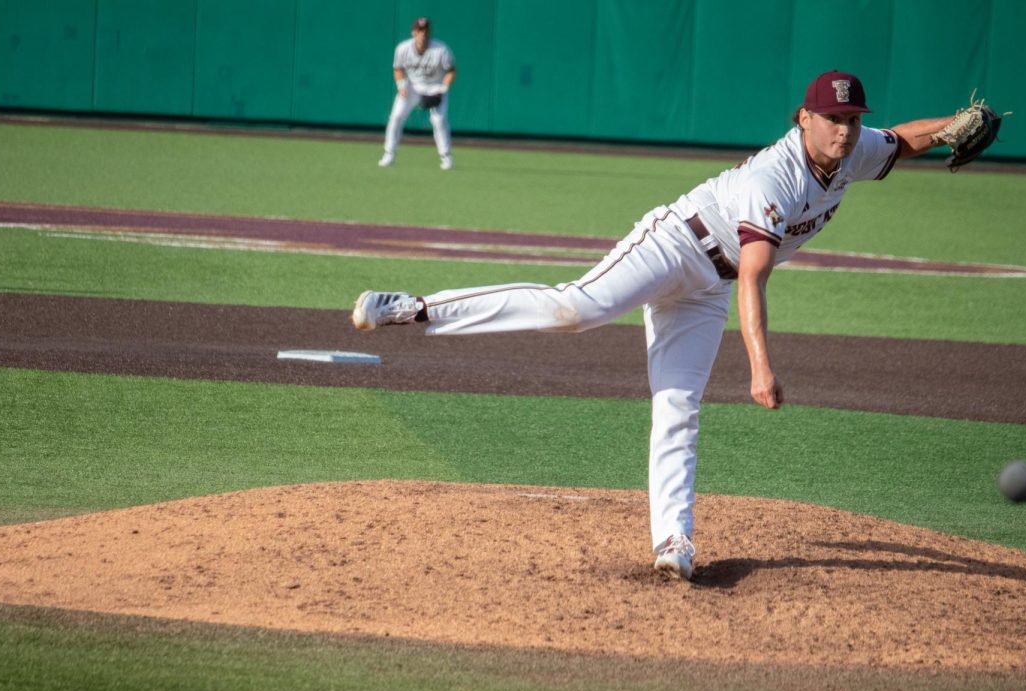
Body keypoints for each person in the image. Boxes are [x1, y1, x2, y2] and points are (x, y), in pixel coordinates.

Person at [353, 70, 966, 580]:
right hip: (675, 245)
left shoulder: (852, 149)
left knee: (678, 403)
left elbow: (900, 141)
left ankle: (673, 542)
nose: (846, 129)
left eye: (853, 118)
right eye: (834, 118)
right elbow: (755, 276)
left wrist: (954, 128)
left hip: (709, 288)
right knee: (578, 308)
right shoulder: (771, 180)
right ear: (803, 118)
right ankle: (416, 307)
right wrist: (759, 368)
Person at [379, 17, 456, 170]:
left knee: (439, 120)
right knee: (396, 116)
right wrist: (401, 85)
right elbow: (398, 68)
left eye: (426, 31)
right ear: (413, 33)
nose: (423, 34)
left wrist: (444, 88)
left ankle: (446, 157)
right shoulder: (403, 48)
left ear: (429, 32)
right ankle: (389, 154)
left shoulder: (441, 49)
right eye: (419, 31)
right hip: (413, 86)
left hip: (435, 87)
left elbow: (451, 70)